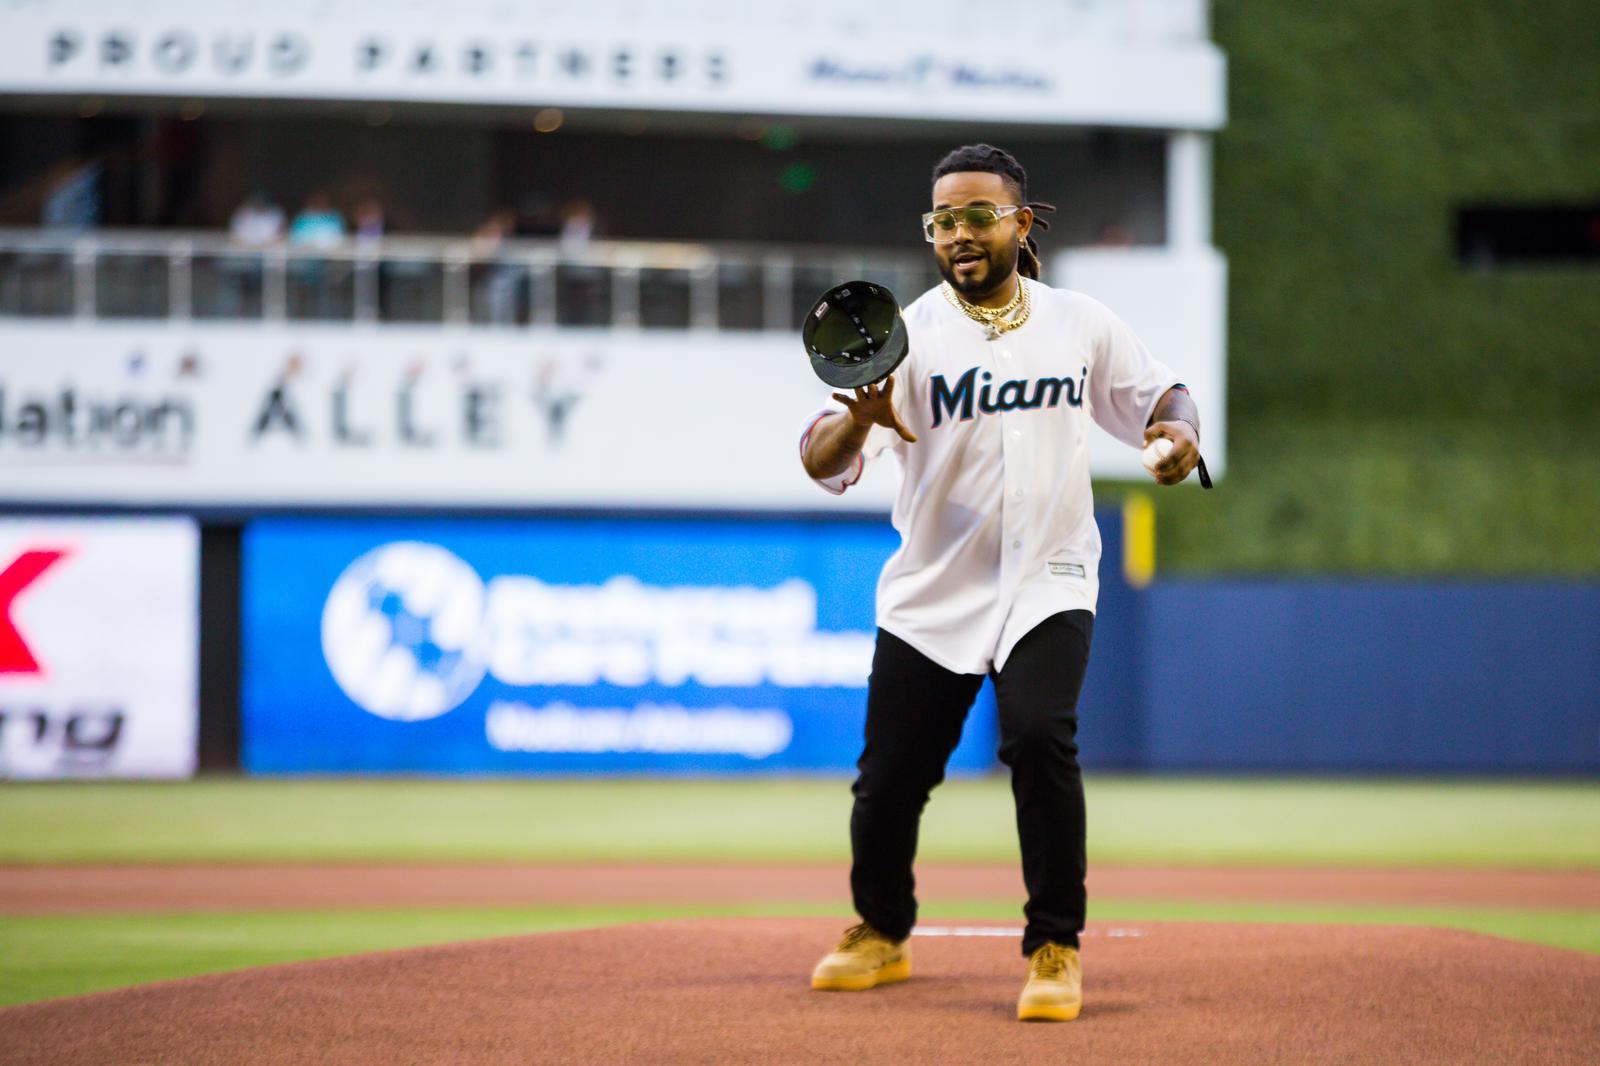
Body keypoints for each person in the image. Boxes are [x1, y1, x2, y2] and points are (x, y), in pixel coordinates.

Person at [799, 144, 1206, 1022]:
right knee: (890, 780)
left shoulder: (1080, 322)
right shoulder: (909, 336)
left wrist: (1179, 439)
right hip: (934, 590)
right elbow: (821, 457)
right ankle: (881, 928)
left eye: (977, 215)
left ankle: (1055, 944)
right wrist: (854, 421)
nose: (958, 234)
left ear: (1023, 222)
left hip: (1049, 578)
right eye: (942, 220)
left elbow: (1164, 396)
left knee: (1040, 737)